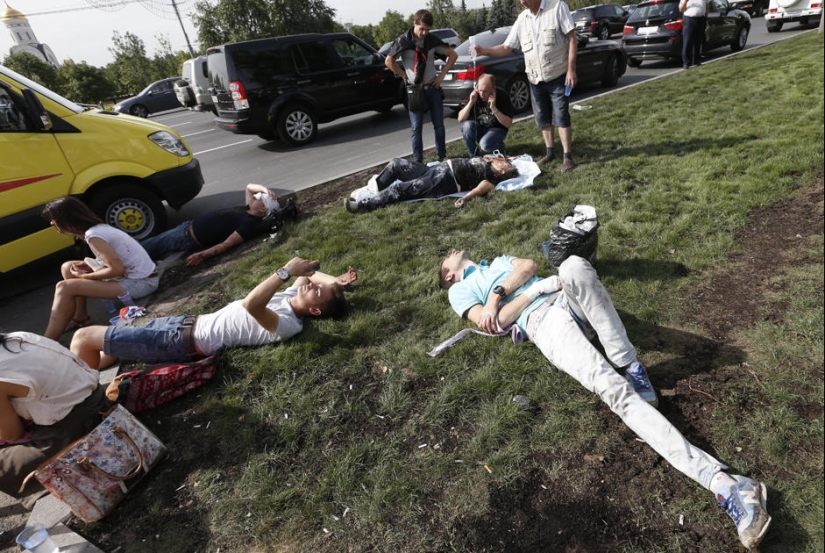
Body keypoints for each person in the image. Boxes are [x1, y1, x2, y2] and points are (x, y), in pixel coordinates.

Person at [437, 251, 772, 550]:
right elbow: (495, 322)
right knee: (614, 391)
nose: (452, 252)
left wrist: (500, 293)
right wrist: (532, 291)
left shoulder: (494, 262)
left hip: (567, 296)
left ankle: (631, 366)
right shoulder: (458, 291)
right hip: (543, 320)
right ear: (449, 275)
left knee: (572, 265)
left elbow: (529, 265)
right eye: (446, 259)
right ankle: (727, 484)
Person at [70, 257, 357, 369]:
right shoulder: (293, 296)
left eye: (317, 291)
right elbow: (311, 272)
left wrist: (283, 272)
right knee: (109, 351)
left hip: (178, 341)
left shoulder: (288, 325)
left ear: (315, 310)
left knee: (84, 337)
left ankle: (76, 392)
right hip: (182, 324)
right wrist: (335, 283)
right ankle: (78, 377)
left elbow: (251, 305)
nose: (310, 284)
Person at [0, 332, 110, 508]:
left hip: (77, 429)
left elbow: (12, 434)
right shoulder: (17, 337)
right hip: (99, 400)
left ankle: (52, 484)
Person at [474, 0, 578, 172]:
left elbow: (572, 39)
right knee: (543, 117)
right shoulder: (522, 19)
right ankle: (550, 152)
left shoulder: (558, 7)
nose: (522, 2)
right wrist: (484, 51)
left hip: (558, 75)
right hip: (535, 78)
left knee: (561, 116)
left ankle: (567, 157)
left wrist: (571, 70)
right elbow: (506, 47)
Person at [41, 197, 159, 341]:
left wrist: (85, 277)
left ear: (67, 218)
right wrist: (94, 267)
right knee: (68, 267)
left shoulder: (94, 235)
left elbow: (117, 269)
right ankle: (81, 317)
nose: (52, 223)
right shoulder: (98, 229)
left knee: (64, 287)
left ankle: (47, 341)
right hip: (137, 276)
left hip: (142, 283)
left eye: (53, 219)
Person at [140, 183, 297, 266]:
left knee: (147, 248)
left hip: (187, 236)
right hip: (187, 227)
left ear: (263, 209)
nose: (254, 198)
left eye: (258, 198)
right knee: (151, 246)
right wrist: (265, 189)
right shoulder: (247, 209)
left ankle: (124, 262)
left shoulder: (249, 223)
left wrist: (202, 255)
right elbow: (249, 186)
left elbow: (227, 244)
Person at [385, 9, 458, 163]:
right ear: (415, 23)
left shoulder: (431, 40)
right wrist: (403, 75)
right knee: (416, 128)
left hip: (432, 88)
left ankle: (442, 157)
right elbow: (389, 61)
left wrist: (442, 75)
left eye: (427, 29)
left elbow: (453, 55)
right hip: (415, 90)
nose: (424, 32)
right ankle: (418, 161)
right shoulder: (403, 41)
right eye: (422, 28)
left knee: (439, 125)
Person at [344, 156, 520, 213]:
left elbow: (480, 189)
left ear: (503, 171)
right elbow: (506, 158)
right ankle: (375, 193)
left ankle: (363, 206)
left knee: (399, 190)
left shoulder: (492, 177)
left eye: (503, 162)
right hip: (438, 169)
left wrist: (465, 199)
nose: (500, 160)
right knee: (396, 164)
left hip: (443, 180)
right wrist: (512, 158)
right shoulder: (490, 162)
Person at [457, 73, 514, 157]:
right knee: (466, 126)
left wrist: (494, 108)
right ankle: (474, 157)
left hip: (497, 129)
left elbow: (508, 124)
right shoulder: (475, 96)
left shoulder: (502, 95)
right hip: (481, 127)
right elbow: (460, 119)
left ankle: (500, 148)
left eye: (485, 91)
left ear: (493, 88)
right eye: (480, 90)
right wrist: (471, 102)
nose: (482, 94)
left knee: (485, 145)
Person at [680, 0, 710, 68]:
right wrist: (686, 1)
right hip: (689, 19)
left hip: (701, 19)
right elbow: (681, 9)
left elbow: (707, 6)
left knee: (698, 41)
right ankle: (686, 62)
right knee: (687, 41)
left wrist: (706, 18)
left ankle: (696, 60)